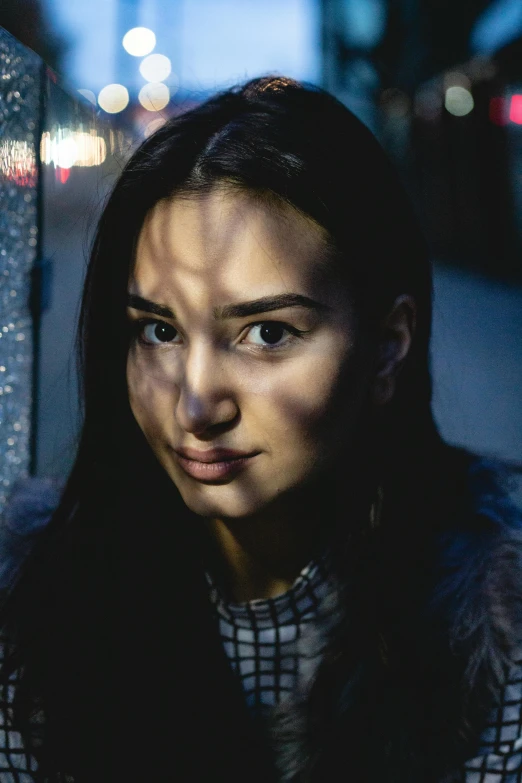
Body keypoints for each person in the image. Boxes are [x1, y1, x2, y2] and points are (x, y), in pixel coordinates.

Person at [0, 75, 521, 783]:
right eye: (158, 330)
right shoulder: (38, 616)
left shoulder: (498, 624)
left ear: (389, 343)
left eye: (267, 333)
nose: (196, 402)